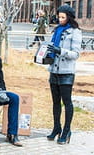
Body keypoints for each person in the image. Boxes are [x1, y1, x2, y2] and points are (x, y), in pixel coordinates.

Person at [46, 5, 82, 145]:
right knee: (55, 102)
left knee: (66, 102)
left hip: (66, 72)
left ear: (69, 17)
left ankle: (67, 130)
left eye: (63, 17)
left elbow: (76, 54)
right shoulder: (56, 30)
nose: (60, 19)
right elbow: (50, 46)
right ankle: (57, 127)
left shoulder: (75, 32)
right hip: (53, 70)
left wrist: (60, 50)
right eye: (59, 17)